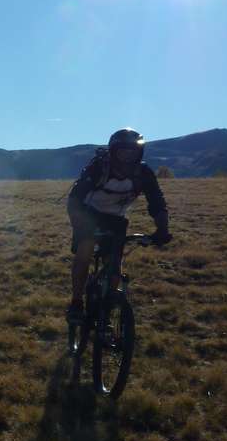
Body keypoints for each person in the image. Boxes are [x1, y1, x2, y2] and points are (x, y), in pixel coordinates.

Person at [66, 128, 172, 322]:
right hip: (88, 214)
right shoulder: (99, 168)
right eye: (123, 151)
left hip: (116, 219)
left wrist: (162, 229)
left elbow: (156, 201)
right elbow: (75, 199)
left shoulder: (143, 173)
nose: (127, 157)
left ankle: (107, 310)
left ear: (139, 153)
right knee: (85, 250)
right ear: (114, 151)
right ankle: (76, 303)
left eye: (132, 152)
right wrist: (81, 226)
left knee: (114, 266)